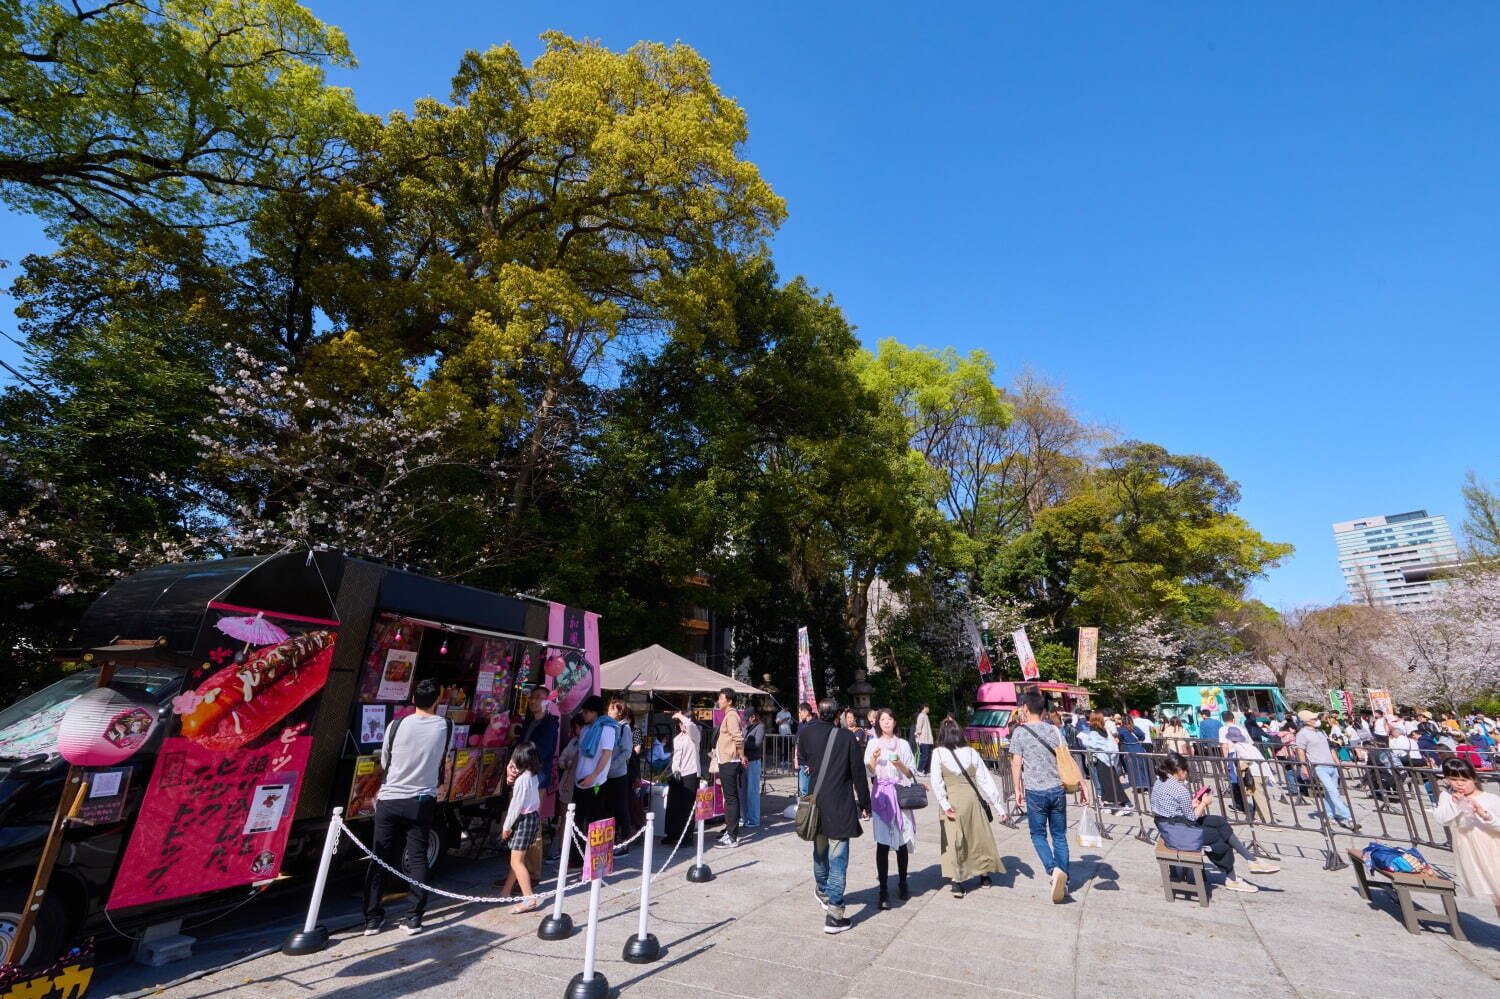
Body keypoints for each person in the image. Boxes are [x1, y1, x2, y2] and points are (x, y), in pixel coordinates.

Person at [364, 678, 452, 935]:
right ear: (438, 700)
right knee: (417, 857)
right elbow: (444, 758)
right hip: (421, 800)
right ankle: (413, 917)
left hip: (390, 798)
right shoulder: (446, 725)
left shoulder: (396, 725)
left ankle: (372, 919)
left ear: (413, 699)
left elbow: (385, 760)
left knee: (379, 857)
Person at [1151, 751, 1278, 893]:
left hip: (1169, 827)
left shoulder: (1160, 781)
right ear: (1179, 771)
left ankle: (1251, 860)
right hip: (1178, 832)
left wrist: (1193, 804)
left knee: (1219, 821)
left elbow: (1172, 808)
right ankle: (1233, 878)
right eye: (1187, 770)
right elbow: (1191, 818)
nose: (1188, 773)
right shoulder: (1180, 789)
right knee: (1218, 837)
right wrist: (1203, 803)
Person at [796, 698, 871, 934]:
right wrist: (865, 803)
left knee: (820, 850)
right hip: (840, 803)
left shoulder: (807, 734)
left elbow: (805, 761)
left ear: (818, 711)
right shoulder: (846, 737)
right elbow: (858, 772)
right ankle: (835, 914)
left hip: (816, 803)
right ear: (838, 714)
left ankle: (823, 889)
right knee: (838, 858)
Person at [1009, 692, 1084, 903]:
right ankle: (1065, 879)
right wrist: (1083, 784)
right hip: (1057, 789)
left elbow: (1016, 763)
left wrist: (1017, 789)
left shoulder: (1020, 733)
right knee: (1059, 835)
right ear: (1044, 710)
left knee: (1038, 835)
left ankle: (1053, 870)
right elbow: (1067, 758)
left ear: (1024, 708)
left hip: (1035, 791)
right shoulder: (1054, 730)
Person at [931, 717, 1002, 897]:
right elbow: (985, 780)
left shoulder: (938, 753)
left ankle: (957, 881)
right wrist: (999, 807)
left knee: (956, 841)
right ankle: (984, 875)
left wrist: (945, 804)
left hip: (952, 802)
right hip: (972, 801)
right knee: (978, 838)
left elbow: (936, 782)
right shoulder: (971, 752)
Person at [1433, 758, 1500, 919]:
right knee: (1496, 898)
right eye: (1454, 779)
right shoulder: (1447, 797)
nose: (1459, 784)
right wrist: (1456, 804)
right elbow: (1442, 818)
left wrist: (1483, 813)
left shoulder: (1490, 799)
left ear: (1474, 778)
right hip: (1473, 854)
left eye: (1464, 780)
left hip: (1495, 849)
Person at [865, 707, 917, 908]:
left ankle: (903, 882)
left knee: (902, 842)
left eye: (889, 719)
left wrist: (899, 765)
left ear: (895, 722)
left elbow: (911, 773)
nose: (886, 722)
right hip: (881, 796)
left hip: (899, 795)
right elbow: (869, 772)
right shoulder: (873, 744)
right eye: (882, 719)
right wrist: (873, 759)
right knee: (883, 843)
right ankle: (883, 890)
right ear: (878, 722)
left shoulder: (903, 744)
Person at [568, 695, 617, 869]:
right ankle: (576, 857)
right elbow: (580, 755)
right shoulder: (586, 729)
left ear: (594, 712)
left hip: (596, 783)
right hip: (579, 781)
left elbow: (606, 755)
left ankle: (593, 857)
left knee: (593, 819)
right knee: (578, 819)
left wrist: (594, 775)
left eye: (587, 711)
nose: (584, 714)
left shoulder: (607, 729)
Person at [496, 741, 543, 913]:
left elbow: (515, 806)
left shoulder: (522, 780)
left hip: (523, 820)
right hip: (532, 818)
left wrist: (506, 827)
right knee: (518, 860)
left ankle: (529, 898)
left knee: (516, 861)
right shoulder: (532, 774)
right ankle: (506, 892)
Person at [1293, 716, 1355, 830]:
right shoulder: (1302, 734)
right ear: (1307, 721)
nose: (1317, 720)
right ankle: (1349, 817)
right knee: (1333, 792)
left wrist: (1337, 763)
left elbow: (1330, 747)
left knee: (1329, 793)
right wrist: (1303, 766)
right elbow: (1300, 750)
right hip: (1319, 766)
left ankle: (1330, 816)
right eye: (1314, 718)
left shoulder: (1321, 731)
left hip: (1331, 765)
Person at [546, 715, 583, 861]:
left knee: (577, 819)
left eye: (577, 727)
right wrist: (566, 763)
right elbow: (562, 759)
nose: (576, 730)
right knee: (564, 817)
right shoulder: (574, 742)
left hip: (581, 784)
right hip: (568, 784)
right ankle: (560, 848)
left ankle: (572, 849)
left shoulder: (589, 743)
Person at [714, 688, 746, 848]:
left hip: (730, 761)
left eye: (721, 698)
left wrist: (741, 755)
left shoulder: (732, 716)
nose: (719, 701)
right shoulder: (729, 715)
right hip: (726, 760)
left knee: (731, 798)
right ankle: (729, 831)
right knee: (729, 797)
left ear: (729, 701)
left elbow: (738, 738)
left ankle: (732, 836)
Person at [663, 710, 701, 846]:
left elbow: (690, 726)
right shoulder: (677, 738)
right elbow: (676, 757)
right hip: (677, 774)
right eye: (680, 723)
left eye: (683, 722)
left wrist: (680, 716)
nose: (682, 725)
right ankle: (672, 833)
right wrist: (674, 771)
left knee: (687, 807)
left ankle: (686, 837)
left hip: (690, 773)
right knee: (673, 805)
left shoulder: (695, 734)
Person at [516, 686, 560, 793]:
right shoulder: (529, 722)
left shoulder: (549, 724)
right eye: (531, 697)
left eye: (538, 697)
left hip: (538, 777)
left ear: (547, 702)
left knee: (534, 810)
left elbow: (543, 751)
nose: (533, 700)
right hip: (522, 772)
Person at [1080, 712, 1127, 809]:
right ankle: (1119, 802)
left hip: (1100, 759)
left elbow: (1091, 745)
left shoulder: (1094, 732)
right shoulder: (1105, 730)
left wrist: (1083, 738)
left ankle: (1112, 804)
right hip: (1109, 758)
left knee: (1104, 782)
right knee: (1112, 781)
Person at [742, 709, 765, 829]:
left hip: (754, 762)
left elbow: (757, 744)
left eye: (747, 719)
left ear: (753, 717)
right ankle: (744, 817)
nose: (746, 722)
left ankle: (754, 819)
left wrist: (742, 743)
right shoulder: (746, 728)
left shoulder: (760, 727)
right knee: (743, 791)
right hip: (744, 762)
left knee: (753, 792)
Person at [913, 703, 934, 776]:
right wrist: (918, 739)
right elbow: (918, 727)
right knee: (925, 756)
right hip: (923, 739)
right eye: (928, 707)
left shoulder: (926, 716)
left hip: (928, 740)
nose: (929, 709)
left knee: (929, 756)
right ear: (925, 707)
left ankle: (927, 771)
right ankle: (919, 770)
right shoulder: (921, 716)